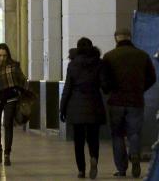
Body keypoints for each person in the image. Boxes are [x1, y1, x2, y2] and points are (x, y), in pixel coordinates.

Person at [101, 26, 157, 178]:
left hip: (116, 102)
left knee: (117, 135)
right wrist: (140, 89)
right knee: (134, 133)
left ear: (116, 39)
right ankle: (135, 156)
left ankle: (121, 168)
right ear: (130, 38)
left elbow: (104, 81)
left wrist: (109, 90)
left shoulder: (109, 56)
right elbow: (152, 78)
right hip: (136, 101)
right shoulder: (142, 55)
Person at [61, 37, 106, 179]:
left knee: (78, 140)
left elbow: (67, 88)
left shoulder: (73, 64)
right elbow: (104, 84)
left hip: (76, 105)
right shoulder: (99, 63)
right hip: (94, 104)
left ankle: (81, 170)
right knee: (93, 138)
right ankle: (94, 158)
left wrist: (62, 108)